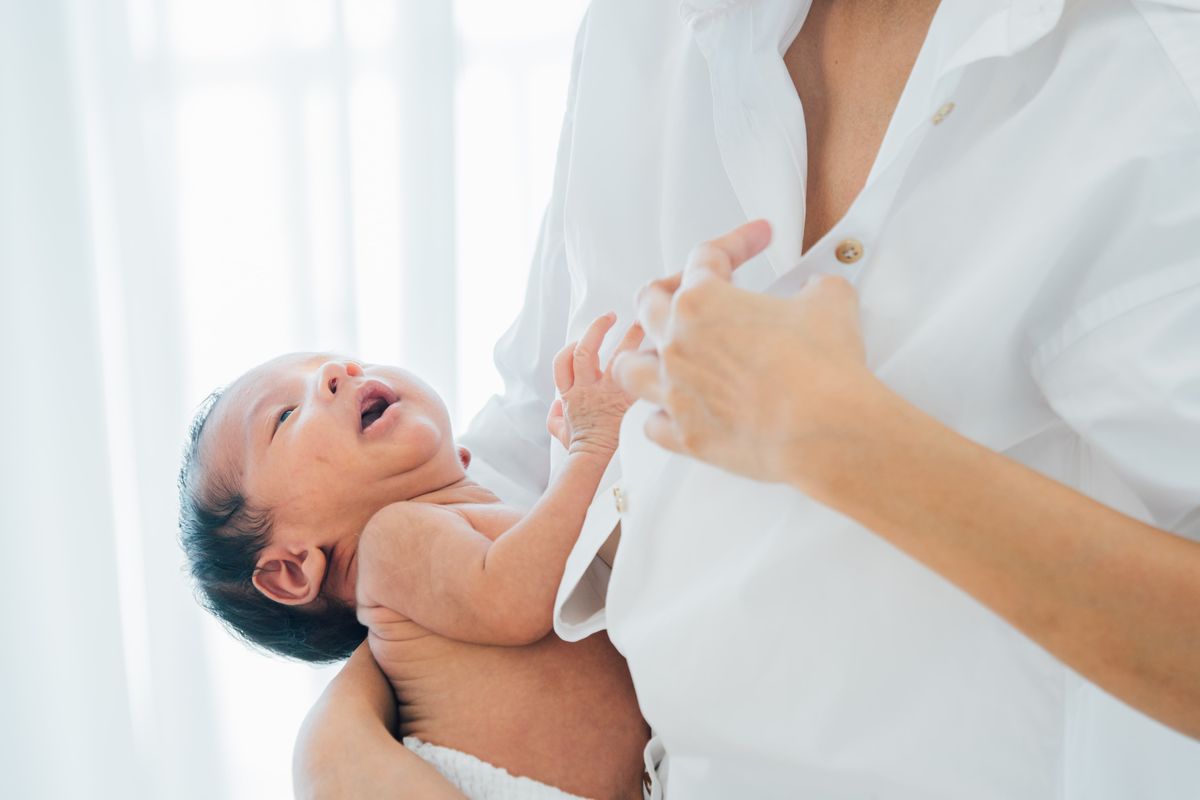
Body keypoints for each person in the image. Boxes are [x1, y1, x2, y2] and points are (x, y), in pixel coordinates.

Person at [298, 0, 1200, 797]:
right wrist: (341, 739)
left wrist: (848, 444)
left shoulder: (1153, 85)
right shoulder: (638, 30)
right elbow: (524, 445)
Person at [179, 318, 650, 799]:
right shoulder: (392, 541)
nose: (337, 372)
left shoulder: (477, 518)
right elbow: (512, 597)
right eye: (283, 415)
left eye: (345, 362)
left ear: (460, 459)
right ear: (293, 569)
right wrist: (591, 448)